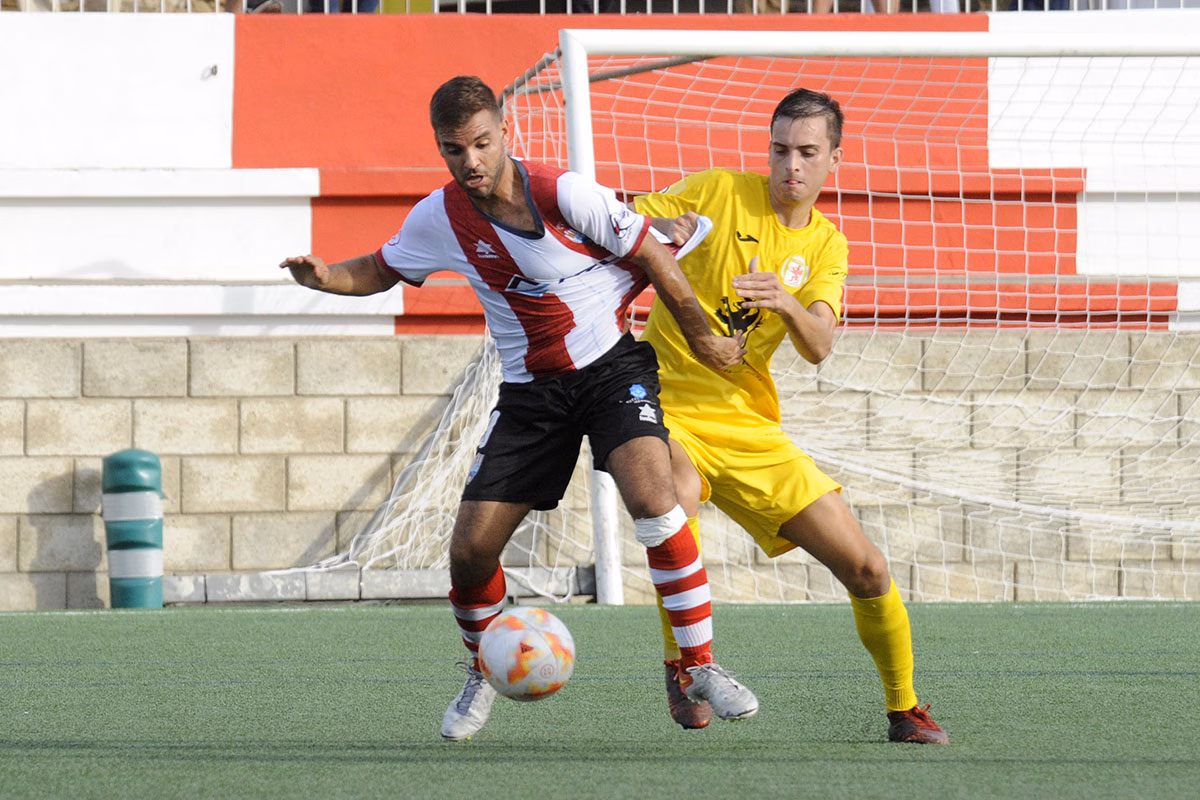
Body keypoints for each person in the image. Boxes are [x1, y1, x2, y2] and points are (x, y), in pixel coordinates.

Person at [280, 75, 760, 742]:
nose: (470, 160)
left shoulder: (564, 191)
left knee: (656, 499)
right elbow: (383, 267)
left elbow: (650, 254)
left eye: (481, 143)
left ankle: (695, 666)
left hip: (611, 370)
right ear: (440, 148)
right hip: (532, 395)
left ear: (504, 132)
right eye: (454, 149)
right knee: (470, 554)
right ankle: (484, 663)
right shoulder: (438, 217)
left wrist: (704, 336)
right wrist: (326, 277)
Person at [630, 87, 948, 744]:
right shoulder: (717, 191)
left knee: (867, 568)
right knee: (673, 503)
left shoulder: (829, 247)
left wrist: (786, 303)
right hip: (666, 408)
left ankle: (904, 708)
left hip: (750, 427)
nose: (790, 166)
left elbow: (819, 345)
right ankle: (685, 664)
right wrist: (666, 232)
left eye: (807, 152)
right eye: (780, 150)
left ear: (834, 157)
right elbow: (621, 223)